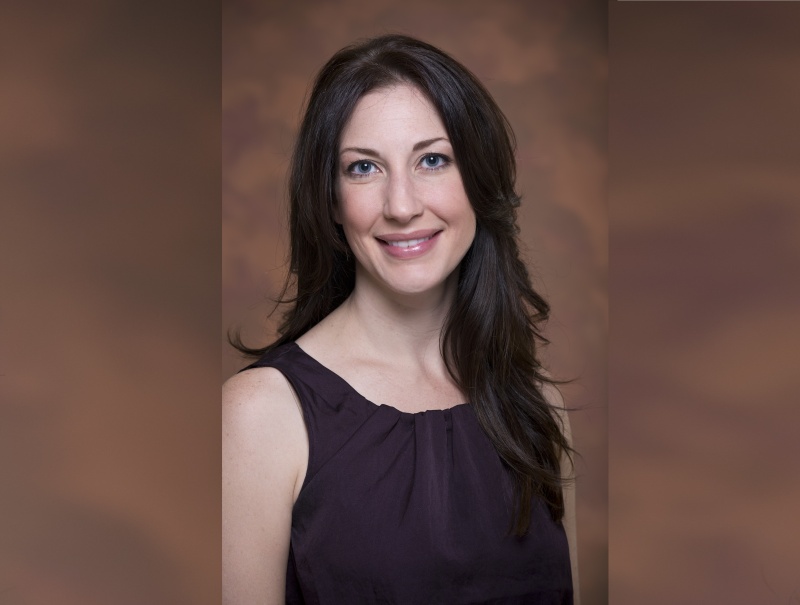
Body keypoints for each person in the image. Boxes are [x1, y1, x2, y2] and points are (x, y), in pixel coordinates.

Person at [223, 34, 579, 605]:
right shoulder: (260, 415)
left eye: (432, 159)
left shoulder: (539, 407)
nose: (402, 205)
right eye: (364, 167)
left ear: (479, 179)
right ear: (332, 199)